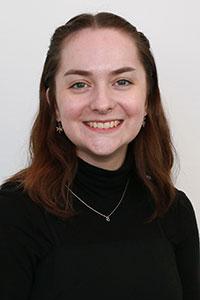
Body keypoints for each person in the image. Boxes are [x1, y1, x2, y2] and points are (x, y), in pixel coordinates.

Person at [0, 12, 199, 300]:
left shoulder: (173, 208)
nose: (102, 104)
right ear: (53, 103)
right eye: (79, 84)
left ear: (147, 99)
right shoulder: (13, 213)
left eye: (122, 82)